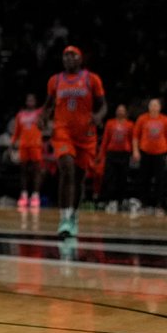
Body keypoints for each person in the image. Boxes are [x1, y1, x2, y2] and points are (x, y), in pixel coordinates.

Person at [44, 45, 105, 238]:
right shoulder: (55, 81)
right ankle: (64, 218)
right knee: (67, 168)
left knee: (78, 177)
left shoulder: (91, 79)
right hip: (63, 131)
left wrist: (98, 116)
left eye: (73, 55)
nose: (69, 59)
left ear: (81, 59)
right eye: (66, 56)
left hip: (85, 135)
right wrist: (42, 118)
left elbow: (103, 105)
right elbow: (48, 105)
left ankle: (74, 216)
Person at [10, 94, 45, 210]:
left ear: (35, 102)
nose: (30, 102)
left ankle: (35, 195)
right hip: (24, 145)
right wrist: (12, 143)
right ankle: (24, 195)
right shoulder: (20, 115)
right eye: (28, 100)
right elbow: (16, 132)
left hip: (35, 145)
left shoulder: (40, 112)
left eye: (32, 100)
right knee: (24, 171)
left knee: (36, 171)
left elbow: (43, 125)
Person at [134, 99, 167, 216]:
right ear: (148, 107)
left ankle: (159, 206)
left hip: (160, 153)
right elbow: (135, 137)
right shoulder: (142, 119)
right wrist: (135, 151)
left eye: (156, 105)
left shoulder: (164, 119)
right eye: (152, 105)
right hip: (145, 152)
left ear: (159, 107)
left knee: (160, 180)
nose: (153, 107)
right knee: (144, 179)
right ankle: (144, 204)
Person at [99, 104, 134, 212]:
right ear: (116, 112)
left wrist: (133, 152)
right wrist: (101, 154)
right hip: (112, 153)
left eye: (122, 110)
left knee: (122, 178)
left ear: (125, 113)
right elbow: (105, 139)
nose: (120, 112)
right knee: (110, 177)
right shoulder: (110, 123)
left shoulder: (130, 124)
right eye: (118, 110)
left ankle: (120, 201)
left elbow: (132, 139)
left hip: (124, 154)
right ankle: (109, 200)